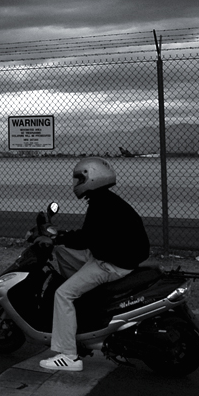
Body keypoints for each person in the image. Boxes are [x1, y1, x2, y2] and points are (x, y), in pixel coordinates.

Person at [38, 157, 150, 372]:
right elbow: (92, 237)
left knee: (63, 294)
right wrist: (61, 238)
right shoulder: (108, 201)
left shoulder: (101, 205)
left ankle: (68, 355)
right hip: (118, 257)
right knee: (71, 262)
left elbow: (84, 239)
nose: (76, 183)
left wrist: (56, 238)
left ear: (91, 177)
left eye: (79, 178)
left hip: (111, 264)